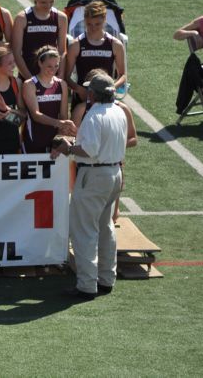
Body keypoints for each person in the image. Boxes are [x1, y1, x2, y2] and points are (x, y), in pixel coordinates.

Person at [51, 73, 127, 300]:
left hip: (94, 175)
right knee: (106, 228)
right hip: (114, 172)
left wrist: (69, 148)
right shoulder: (119, 111)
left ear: (93, 94)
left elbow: (90, 150)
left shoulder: (94, 116)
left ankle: (86, 284)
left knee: (84, 231)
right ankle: (106, 278)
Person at [72, 68, 138, 223]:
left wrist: (109, 146)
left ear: (92, 93)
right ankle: (106, 247)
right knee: (103, 222)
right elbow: (74, 137)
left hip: (104, 167)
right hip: (91, 167)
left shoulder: (119, 110)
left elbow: (133, 139)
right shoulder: (82, 109)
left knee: (99, 220)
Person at [65, 0, 127, 105]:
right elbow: (66, 77)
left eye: (97, 24)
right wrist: (80, 90)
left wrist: (111, 87)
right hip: (83, 98)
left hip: (106, 98)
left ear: (104, 19)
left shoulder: (115, 44)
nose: (93, 28)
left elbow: (123, 75)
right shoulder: (76, 45)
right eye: (89, 24)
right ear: (84, 20)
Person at [22, 46, 75, 153]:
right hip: (33, 140)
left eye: (56, 66)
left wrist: (59, 141)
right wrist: (59, 123)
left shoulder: (62, 84)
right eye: (49, 66)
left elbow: (64, 116)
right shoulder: (30, 84)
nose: (53, 70)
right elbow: (36, 115)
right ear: (40, 63)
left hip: (54, 141)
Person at [11, 0, 68, 80]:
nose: (48, 6)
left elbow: (62, 51)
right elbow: (16, 52)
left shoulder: (61, 18)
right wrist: (30, 79)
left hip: (52, 77)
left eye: (51, 1)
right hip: (28, 74)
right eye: (43, 2)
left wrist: (60, 75)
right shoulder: (22, 18)